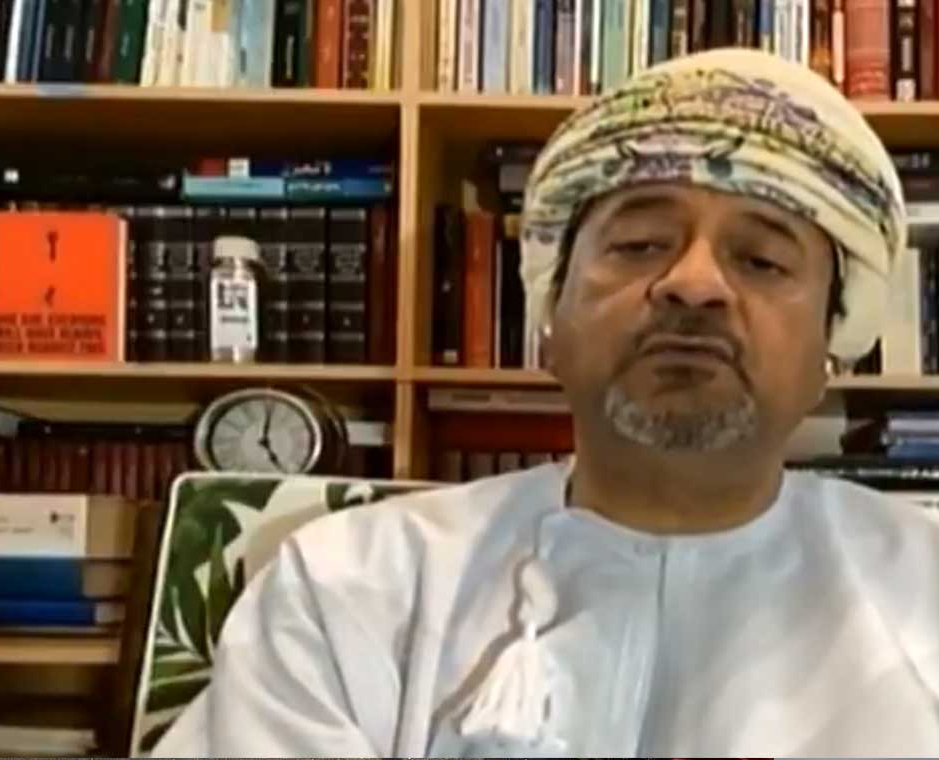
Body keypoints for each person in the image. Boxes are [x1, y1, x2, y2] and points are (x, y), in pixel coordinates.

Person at [154, 48, 939, 757]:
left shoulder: (924, 590)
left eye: (762, 260)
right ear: (549, 322)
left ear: (831, 349)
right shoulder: (347, 588)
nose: (694, 284)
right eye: (639, 245)